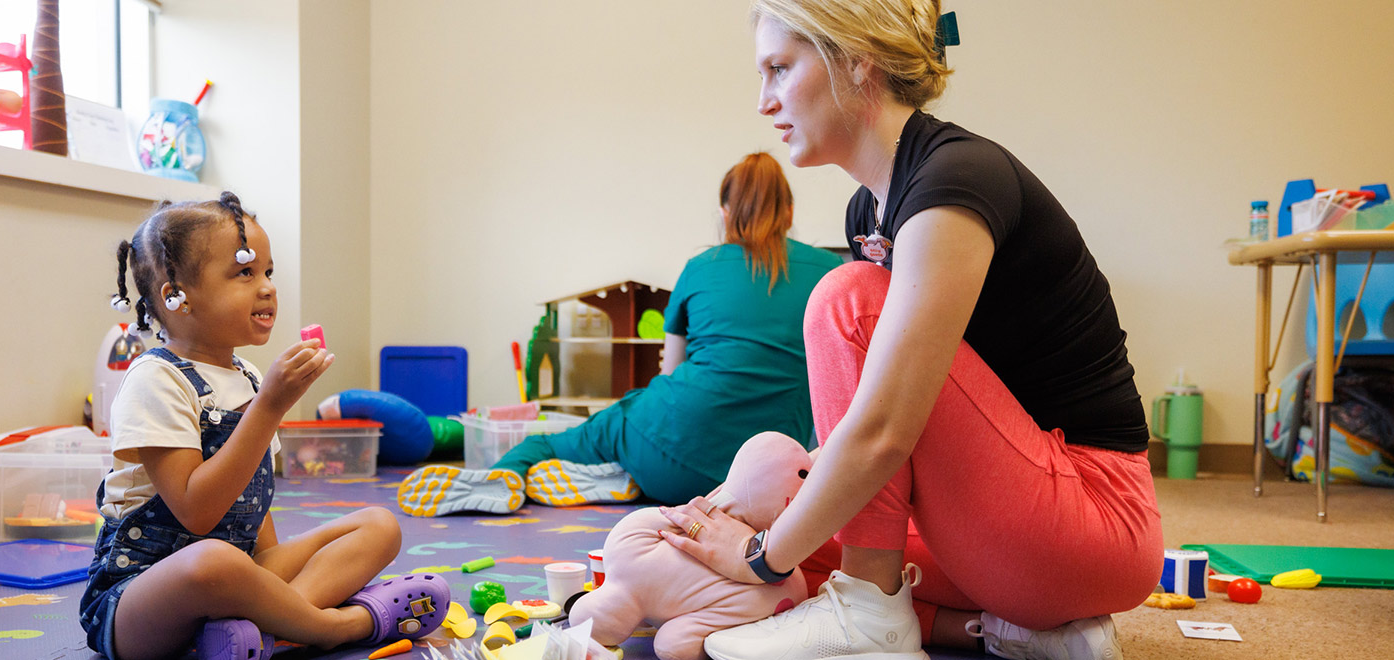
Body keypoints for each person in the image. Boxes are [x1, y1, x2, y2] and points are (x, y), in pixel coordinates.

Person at [658, 2, 1162, 659]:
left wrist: (760, 556)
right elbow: (865, 439)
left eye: (780, 69)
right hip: (1018, 534)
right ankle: (1023, 631)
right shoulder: (869, 209)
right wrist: (747, 518)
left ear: (857, 58)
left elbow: (883, 430)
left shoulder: (954, 180)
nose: (764, 102)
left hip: (1091, 521)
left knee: (848, 301)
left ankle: (869, 613)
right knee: (790, 541)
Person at [81, 193, 451, 660]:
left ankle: (272, 629)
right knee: (215, 561)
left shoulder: (248, 376)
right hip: (138, 602)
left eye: (268, 272)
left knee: (380, 525)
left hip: (232, 578)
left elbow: (253, 510)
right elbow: (197, 512)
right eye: (244, 272)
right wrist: (270, 405)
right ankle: (333, 626)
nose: (267, 288)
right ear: (176, 297)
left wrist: (269, 574)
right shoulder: (155, 380)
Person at [397, 153, 843, 516]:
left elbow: (670, 369)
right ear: (788, 211)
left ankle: (511, 472)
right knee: (633, 439)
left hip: (669, 453)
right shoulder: (828, 270)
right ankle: (618, 477)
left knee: (564, 436)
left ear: (726, 213)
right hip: (763, 482)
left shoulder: (701, 267)